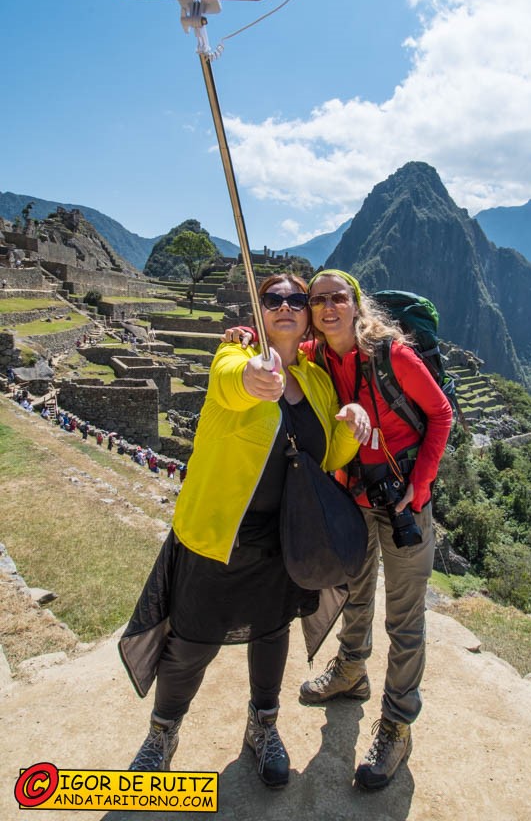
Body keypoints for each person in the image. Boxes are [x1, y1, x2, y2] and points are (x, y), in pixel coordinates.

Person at [119, 274, 370, 787]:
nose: (285, 306)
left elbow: (328, 457)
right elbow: (231, 386)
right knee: (190, 643)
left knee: (271, 634)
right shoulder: (235, 358)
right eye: (272, 298)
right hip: (220, 534)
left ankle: (264, 725)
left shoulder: (317, 381)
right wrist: (252, 378)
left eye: (296, 300)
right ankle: (163, 733)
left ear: (306, 317)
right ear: (258, 311)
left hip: (284, 541)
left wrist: (351, 424)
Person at [227, 268, 452, 790]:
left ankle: (397, 723)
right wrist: (243, 336)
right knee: (352, 588)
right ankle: (352, 670)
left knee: (405, 615)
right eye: (317, 299)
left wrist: (419, 489)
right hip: (354, 493)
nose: (326, 306)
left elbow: (440, 414)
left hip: (401, 500)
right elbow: (275, 346)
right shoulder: (318, 353)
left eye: (337, 298)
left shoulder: (392, 355)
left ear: (356, 305)